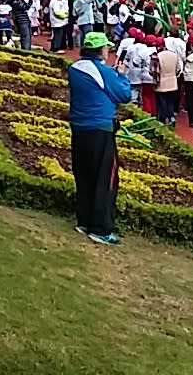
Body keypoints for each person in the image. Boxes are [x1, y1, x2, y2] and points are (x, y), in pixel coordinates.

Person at [67, 32, 132, 246]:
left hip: (79, 128)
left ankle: (84, 221)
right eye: (106, 47)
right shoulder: (104, 72)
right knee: (106, 179)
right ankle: (101, 228)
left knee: (84, 175)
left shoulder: (75, 68)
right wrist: (121, 75)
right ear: (100, 50)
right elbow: (124, 96)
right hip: (100, 129)